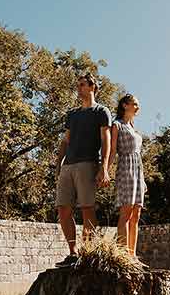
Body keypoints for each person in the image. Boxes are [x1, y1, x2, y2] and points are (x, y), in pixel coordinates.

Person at [54, 73, 112, 264]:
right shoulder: (72, 114)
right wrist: (58, 163)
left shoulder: (101, 112)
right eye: (77, 85)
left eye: (82, 85)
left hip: (88, 163)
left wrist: (104, 167)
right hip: (68, 166)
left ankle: (87, 254)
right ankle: (73, 253)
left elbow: (106, 141)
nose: (79, 88)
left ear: (92, 87)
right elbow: (66, 140)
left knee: (87, 209)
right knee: (63, 209)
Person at [107, 94, 146, 258]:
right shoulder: (117, 125)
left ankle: (132, 255)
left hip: (138, 171)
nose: (137, 107)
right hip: (125, 168)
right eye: (134, 104)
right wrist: (105, 170)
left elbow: (139, 156)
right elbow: (113, 150)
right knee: (126, 211)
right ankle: (123, 255)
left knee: (136, 213)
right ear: (125, 105)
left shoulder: (134, 129)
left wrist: (142, 180)